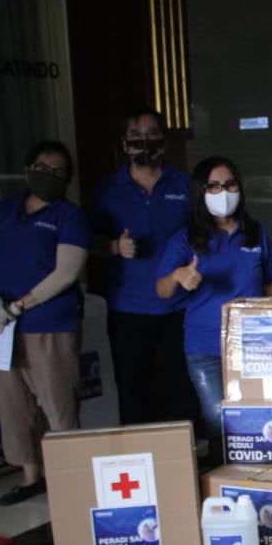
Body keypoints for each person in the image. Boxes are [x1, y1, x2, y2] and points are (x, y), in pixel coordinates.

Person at [0, 140, 90, 505]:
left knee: (57, 402)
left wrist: (20, 305)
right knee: (11, 404)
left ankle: (69, 478)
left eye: (58, 172)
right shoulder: (3, 211)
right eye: (42, 168)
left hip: (48, 323)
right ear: (27, 170)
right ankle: (30, 476)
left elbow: (66, 272)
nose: (48, 177)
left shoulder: (69, 216)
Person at [156, 156, 272, 467]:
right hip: (205, 347)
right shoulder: (186, 238)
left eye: (229, 184)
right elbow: (160, 290)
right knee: (217, 422)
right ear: (201, 191)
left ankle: (261, 482)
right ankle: (223, 485)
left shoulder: (254, 233)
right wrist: (177, 276)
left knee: (258, 421)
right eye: (213, 186)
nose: (222, 191)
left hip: (255, 347)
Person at [89, 108, 198, 427]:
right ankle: (137, 461)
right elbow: (86, 242)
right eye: (137, 137)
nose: (145, 142)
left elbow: (204, 234)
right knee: (132, 388)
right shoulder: (107, 190)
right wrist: (113, 247)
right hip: (129, 306)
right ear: (124, 144)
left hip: (181, 305)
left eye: (152, 135)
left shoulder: (185, 185)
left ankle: (186, 455)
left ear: (164, 140)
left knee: (184, 387)